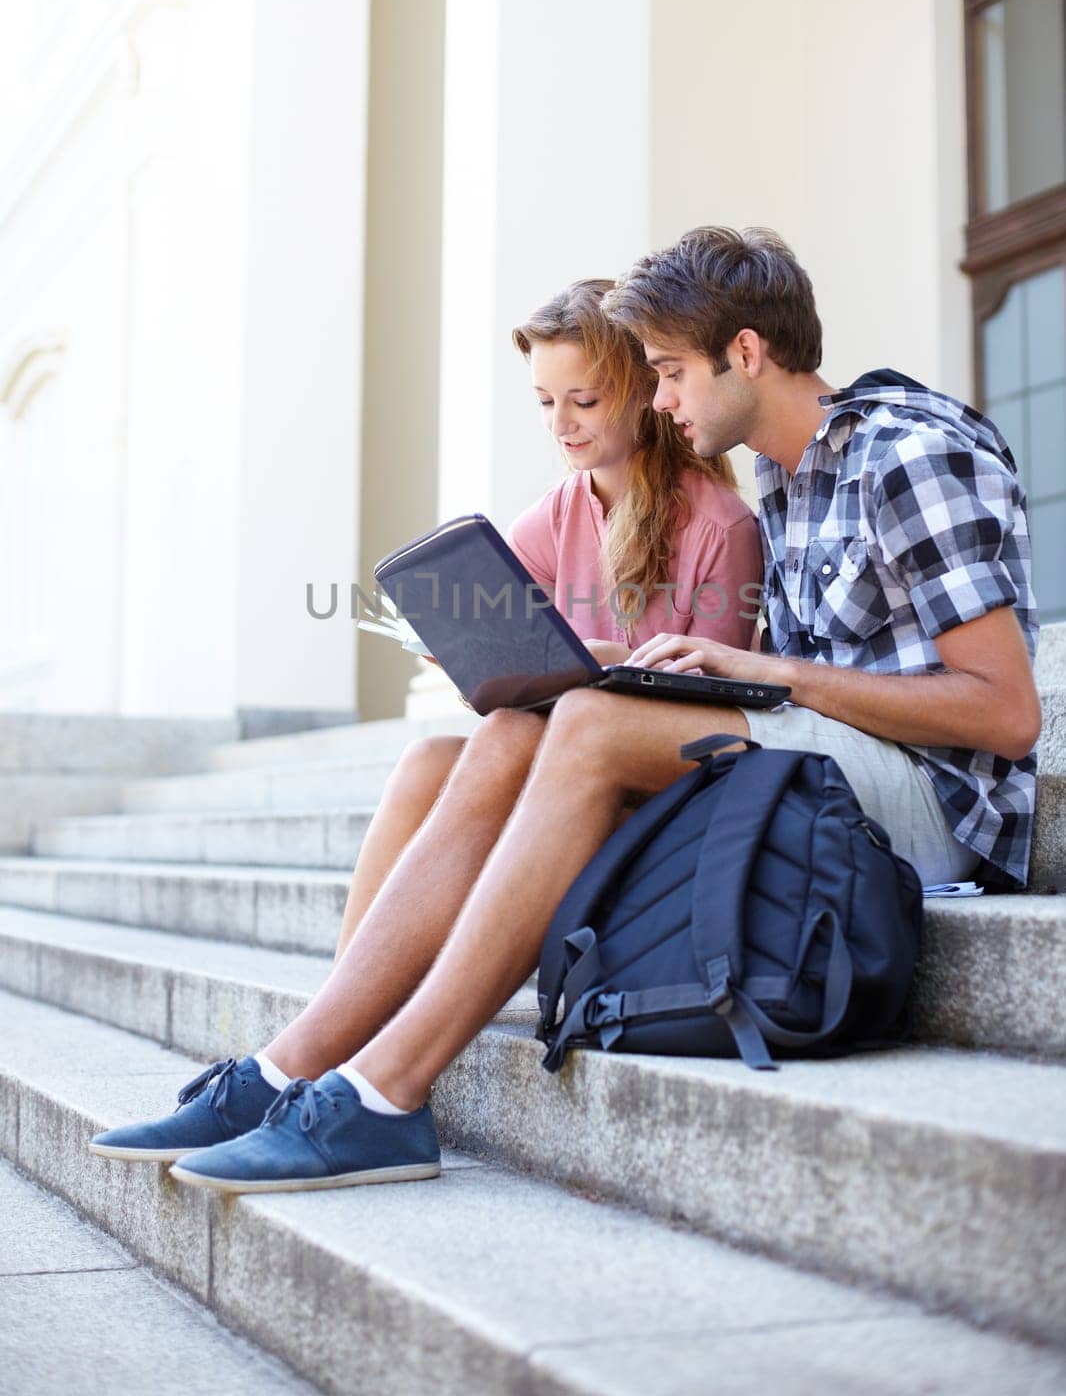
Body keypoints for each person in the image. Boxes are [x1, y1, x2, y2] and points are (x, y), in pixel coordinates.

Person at [90, 227, 1040, 1197]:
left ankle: (383, 1095)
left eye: (667, 372)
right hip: (820, 763)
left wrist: (767, 673)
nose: (660, 399)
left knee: (585, 722)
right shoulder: (790, 473)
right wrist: (671, 668)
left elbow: (1005, 717)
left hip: (928, 811)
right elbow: (802, 681)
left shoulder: (905, 455)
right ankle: (287, 1071)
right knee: (511, 725)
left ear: (745, 353)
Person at [332, 277, 761, 957]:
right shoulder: (557, 512)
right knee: (425, 762)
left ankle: (390, 1003)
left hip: (657, 785)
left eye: (583, 401)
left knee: (503, 739)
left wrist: (600, 659)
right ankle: (345, 995)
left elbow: (724, 718)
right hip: (557, 759)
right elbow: (508, 636)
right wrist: (459, 644)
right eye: (544, 402)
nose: (561, 424)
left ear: (643, 392)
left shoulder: (721, 527)